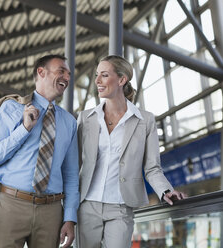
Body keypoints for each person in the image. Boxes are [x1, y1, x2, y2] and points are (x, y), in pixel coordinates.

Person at [76, 55, 186, 248]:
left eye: (104, 75)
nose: (97, 81)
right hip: (86, 205)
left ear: (121, 79)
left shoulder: (145, 120)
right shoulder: (86, 119)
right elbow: (74, 164)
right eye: (96, 75)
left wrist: (166, 191)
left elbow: (152, 167)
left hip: (121, 207)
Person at [0, 54, 79, 248]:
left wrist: (70, 218)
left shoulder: (69, 122)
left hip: (51, 211)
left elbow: (70, 175)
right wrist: (24, 129)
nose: (67, 78)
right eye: (61, 71)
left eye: (69, 74)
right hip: (12, 204)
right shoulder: (11, 108)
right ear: (41, 72)